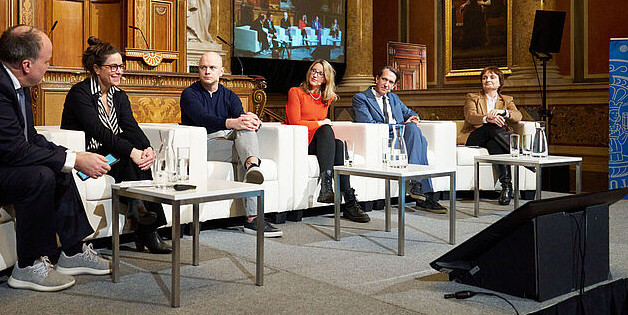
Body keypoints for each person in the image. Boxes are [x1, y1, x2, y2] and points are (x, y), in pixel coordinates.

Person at [0, 25, 112, 292]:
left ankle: (72, 253)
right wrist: (71, 159)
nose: (49, 66)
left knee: (58, 166)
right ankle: (27, 266)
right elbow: (14, 150)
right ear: (26, 64)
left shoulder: (16, 82)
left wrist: (72, 157)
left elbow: (30, 137)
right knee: (40, 174)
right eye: (47, 61)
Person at [61, 37, 171, 254]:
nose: (119, 71)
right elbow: (99, 132)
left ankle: (139, 211)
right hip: (87, 161)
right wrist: (133, 151)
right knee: (127, 154)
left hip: (111, 156)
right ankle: (147, 228)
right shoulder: (80, 94)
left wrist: (147, 148)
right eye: (113, 66)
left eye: (121, 66)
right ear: (96, 68)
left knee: (133, 156)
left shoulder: (118, 96)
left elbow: (131, 127)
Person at [180, 52, 282, 237]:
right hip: (202, 144)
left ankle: (251, 166)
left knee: (246, 129)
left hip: (227, 141)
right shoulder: (189, 94)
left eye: (212, 68)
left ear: (221, 71)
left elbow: (241, 119)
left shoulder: (229, 95)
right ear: (198, 70)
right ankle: (253, 218)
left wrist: (254, 121)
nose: (207, 71)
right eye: (203, 68)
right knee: (243, 138)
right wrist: (232, 122)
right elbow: (203, 118)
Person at [352, 66, 447, 214]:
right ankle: (424, 194)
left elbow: (409, 112)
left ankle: (418, 187)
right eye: (384, 79)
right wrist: (401, 126)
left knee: (417, 134)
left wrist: (414, 118)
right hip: (383, 139)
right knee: (419, 139)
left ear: (394, 85)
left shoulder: (394, 98)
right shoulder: (361, 98)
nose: (386, 84)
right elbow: (369, 123)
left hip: (402, 136)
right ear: (377, 79)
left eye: (391, 82)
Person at [286, 60, 370, 223]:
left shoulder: (327, 97)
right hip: (298, 142)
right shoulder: (295, 92)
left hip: (317, 142)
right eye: (313, 71)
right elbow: (295, 122)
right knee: (325, 128)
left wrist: (321, 124)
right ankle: (331, 190)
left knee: (338, 144)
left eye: (320, 73)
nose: (314, 75)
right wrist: (320, 123)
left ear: (326, 79)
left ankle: (347, 199)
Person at [458, 66, 522, 205]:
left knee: (494, 145)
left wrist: (503, 112)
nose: (487, 80)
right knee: (490, 127)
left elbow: (517, 116)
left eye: (492, 77)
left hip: (494, 137)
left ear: (500, 82)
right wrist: (487, 118)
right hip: (474, 136)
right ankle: (520, 154)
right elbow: (470, 117)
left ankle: (506, 187)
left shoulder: (506, 100)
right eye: (484, 78)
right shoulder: (472, 97)